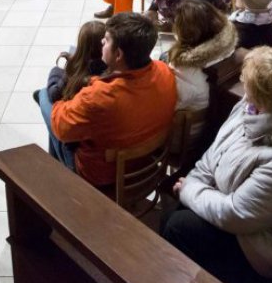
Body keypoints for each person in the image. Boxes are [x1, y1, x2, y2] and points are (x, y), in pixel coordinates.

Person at [163, 47, 272, 283]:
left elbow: (236, 214)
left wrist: (190, 190)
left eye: (249, 91)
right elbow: (214, 154)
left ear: (266, 102)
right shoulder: (254, 107)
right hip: (245, 211)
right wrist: (196, 182)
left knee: (179, 227)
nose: (244, 94)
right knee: (176, 216)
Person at [39, 13, 176, 186]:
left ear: (118, 54)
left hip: (104, 178)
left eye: (106, 39)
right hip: (147, 166)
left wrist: (63, 95)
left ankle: (65, 186)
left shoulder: (99, 97)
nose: (102, 42)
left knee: (43, 96)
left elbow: (60, 129)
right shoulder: (165, 72)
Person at [167, 0, 237, 111]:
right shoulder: (228, 45)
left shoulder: (184, 68)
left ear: (185, 33)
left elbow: (168, 107)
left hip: (193, 126)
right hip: (215, 111)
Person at [40, 21, 107, 111]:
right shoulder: (114, 68)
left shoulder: (76, 74)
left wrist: (58, 71)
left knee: (43, 93)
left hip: (73, 117)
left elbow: (54, 95)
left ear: (81, 47)